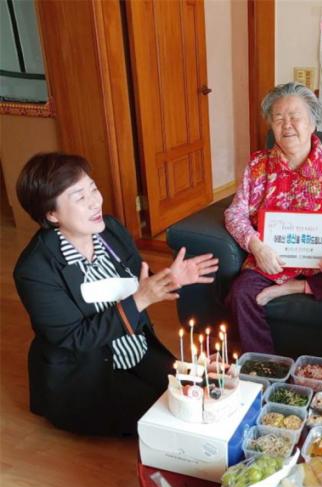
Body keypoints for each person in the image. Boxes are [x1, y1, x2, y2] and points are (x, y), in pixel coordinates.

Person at [14, 153, 219, 435]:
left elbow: (140, 283)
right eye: (80, 197)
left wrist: (171, 279)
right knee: (176, 419)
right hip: (86, 374)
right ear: (52, 214)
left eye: (93, 189)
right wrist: (141, 299)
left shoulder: (109, 230)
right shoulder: (35, 269)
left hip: (136, 350)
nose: (95, 202)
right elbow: (76, 338)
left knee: (201, 394)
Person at [224, 82, 322, 353]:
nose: (286, 125)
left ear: (312, 123)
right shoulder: (258, 165)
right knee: (240, 293)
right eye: (278, 118)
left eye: (294, 117)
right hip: (271, 263)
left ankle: (297, 287)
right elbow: (234, 213)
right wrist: (257, 247)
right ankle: (263, 366)